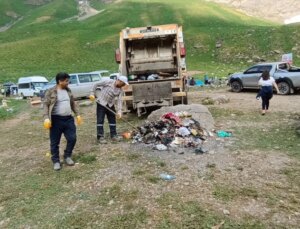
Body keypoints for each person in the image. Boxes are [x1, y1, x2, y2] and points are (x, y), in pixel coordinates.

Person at [43, 72, 82, 171]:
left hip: (68, 119)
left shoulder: (68, 90)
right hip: (56, 120)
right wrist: (46, 118)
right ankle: (56, 161)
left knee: (72, 138)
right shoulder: (51, 91)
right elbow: (45, 105)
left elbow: (72, 103)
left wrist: (77, 114)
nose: (68, 83)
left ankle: (67, 156)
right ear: (60, 81)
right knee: (54, 142)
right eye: (66, 81)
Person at [89, 75, 128, 144]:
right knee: (100, 120)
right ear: (119, 81)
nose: (124, 85)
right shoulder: (108, 82)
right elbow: (96, 84)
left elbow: (119, 101)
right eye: (123, 83)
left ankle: (113, 135)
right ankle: (100, 137)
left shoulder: (120, 90)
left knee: (112, 119)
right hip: (101, 102)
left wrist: (119, 112)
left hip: (110, 104)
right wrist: (92, 93)